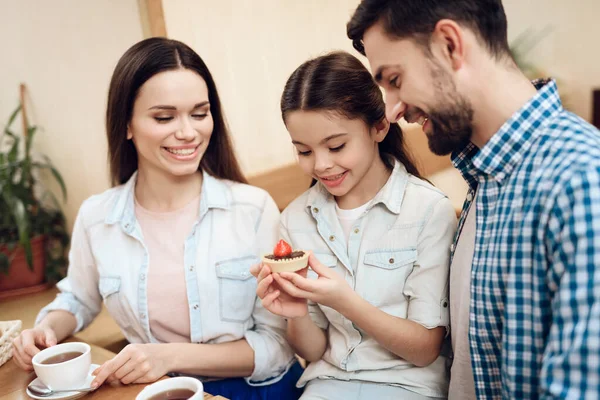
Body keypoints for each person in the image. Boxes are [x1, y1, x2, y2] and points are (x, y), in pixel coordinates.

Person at [11, 37, 303, 400]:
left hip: (253, 391)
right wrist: (47, 330)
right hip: (154, 392)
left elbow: (277, 345)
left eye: (199, 113)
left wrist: (168, 357)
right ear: (126, 125)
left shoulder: (253, 208)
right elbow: (78, 300)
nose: (187, 132)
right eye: (164, 117)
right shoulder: (98, 217)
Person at [347, 0, 600, 398]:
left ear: (450, 44)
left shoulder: (581, 181)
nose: (393, 109)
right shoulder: (485, 180)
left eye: (394, 79)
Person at [252, 51, 457, 399]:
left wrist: (345, 301)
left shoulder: (428, 210)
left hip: (409, 386)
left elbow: (424, 349)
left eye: (336, 146)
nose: (321, 165)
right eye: (303, 151)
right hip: (328, 384)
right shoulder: (295, 219)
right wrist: (295, 313)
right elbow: (315, 352)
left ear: (379, 126)